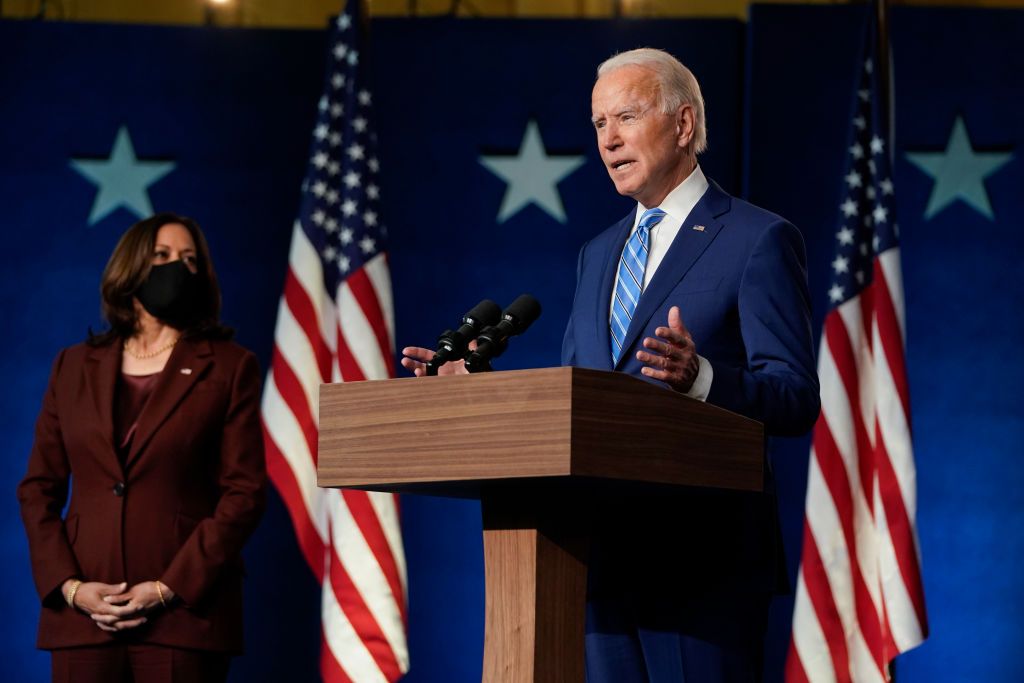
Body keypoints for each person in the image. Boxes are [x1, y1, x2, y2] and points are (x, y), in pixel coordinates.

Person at [402, 49, 819, 682]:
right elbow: (584, 395)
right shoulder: (598, 254)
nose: (608, 140)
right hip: (595, 559)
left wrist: (701, 378)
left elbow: (794, 396)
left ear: (683, 125)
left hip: (701, 570)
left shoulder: (756, 239)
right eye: (598, 124)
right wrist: (474, 392)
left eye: (625, 116)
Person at [17, 213, 266, 683]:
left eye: (190, 260)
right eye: (163, 256)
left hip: (184, 617)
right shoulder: (72, 366)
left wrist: (168, 587)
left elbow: (245, 493)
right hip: (83, 617)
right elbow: (37, 489)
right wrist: (70, 588)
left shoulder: (232, 367)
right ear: (130, 267)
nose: (178, 268)